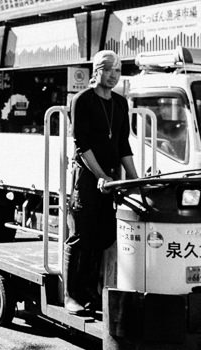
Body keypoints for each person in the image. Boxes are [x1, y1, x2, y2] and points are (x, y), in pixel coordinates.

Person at [65, 50, 139, 315]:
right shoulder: (82, 100)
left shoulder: (120, 103)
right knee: (81, 236)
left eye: (117, 71)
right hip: (87, 180)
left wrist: (134, 178)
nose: (113, 75)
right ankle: (72, 295)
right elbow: (81, 145)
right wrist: (100, 176)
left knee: (103, 236)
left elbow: (122, 143)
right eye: (108, 69)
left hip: (111, 181)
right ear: (96, 70)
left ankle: (90, 293)